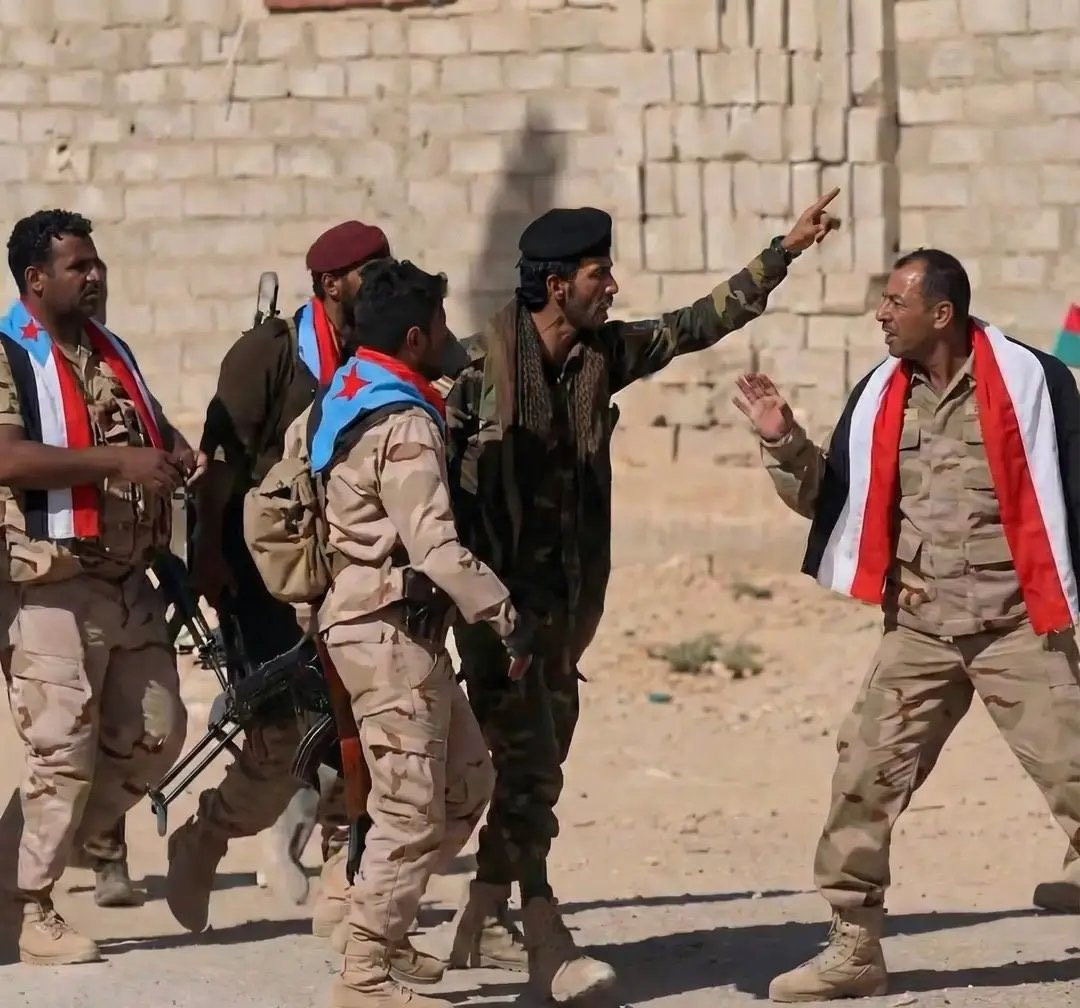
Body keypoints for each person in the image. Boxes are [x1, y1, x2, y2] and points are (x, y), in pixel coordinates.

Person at [444, 192, 841, 1001]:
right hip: (497, 614)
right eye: (600, 274)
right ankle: (545, 939)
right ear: (558, 284)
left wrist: (785, 250)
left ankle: (482, 910)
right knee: (530, 773)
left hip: (566, 612)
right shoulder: (476, 372)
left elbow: (697, 323)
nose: (613, 287)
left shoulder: (600, 357)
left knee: (538, 760)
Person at [734, 248, 1080, 1002]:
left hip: (1018, 627)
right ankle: (854, 947)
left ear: (941, 313)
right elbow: (833, 502)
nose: (883, 314)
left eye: (897, 301)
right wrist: (783, 440)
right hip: (919, 632)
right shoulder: (878, 396)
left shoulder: (1033, 383)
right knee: (862, 780)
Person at [304, 258, 534, 1008]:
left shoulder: (350, 392)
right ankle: (364, 971)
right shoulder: (402, 420)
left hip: (395, 631)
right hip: (385, 632)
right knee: (407, 810)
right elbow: (435, 547)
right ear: (413, 337)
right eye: (437, 325)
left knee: (466, 783)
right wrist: (507, 619)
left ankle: (384, 924)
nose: (446, 337)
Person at [167, 220, 390, 939]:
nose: (382, 282)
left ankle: (342, 874)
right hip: (262, 573)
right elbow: (219, 466)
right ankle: (206, 836)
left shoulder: (385, 340)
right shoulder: (268, 355)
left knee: (364, 725)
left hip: (351, 570)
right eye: (368, 271)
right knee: (282, 741)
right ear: (329, 284)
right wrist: (207, 556)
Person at [0, 209, 197, 964]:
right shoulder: (9, 353)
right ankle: (31, 908)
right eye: (77, 266)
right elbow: (7, 458)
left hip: (126, 577)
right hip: (50, 580)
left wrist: (175, 451)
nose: (95, 275)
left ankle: (13, 869)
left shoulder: (109, 351)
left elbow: (145, 429)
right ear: (35, 278)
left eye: (96, 262)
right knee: (61, 751)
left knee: (155, 734)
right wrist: (119, 464)